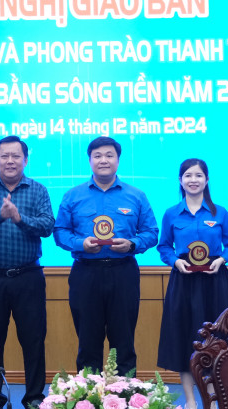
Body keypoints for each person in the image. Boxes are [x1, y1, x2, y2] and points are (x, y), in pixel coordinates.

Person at [53, 136, 158, 376]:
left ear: (118, 160)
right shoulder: (73, 195)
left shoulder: (136, 195)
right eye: (97, 156)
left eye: (109, 155)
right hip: (85, 273)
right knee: (88, 341)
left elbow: (151, 232)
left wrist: (132, 244)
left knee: (124, 341)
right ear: (89, 160)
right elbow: (60, 232)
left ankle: (125, 393)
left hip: (123, 272)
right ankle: (88, 393)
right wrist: (80, 244)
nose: (103, 160)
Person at [0, 135, 54, 409]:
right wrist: (0, 215)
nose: (10, 161)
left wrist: (18, 217)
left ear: (25, 160)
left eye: (16, 156)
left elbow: (47, 226)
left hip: (28, 277)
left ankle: (34, 397)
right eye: (4, 156)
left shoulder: (38, 190)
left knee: (34, 340)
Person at [156, 158, 228, 409]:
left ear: (207, 180)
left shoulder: (220, 213)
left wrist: (223, 259)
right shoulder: (171, 213)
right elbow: (164, 247)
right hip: (183, 282)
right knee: (185, 338)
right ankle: (191, 400)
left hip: (215, 283)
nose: (193, 180)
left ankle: (213, 399)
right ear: (180, 180)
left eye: (198, 175)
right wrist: (175, 261)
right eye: (188, 175)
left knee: (217, 340)